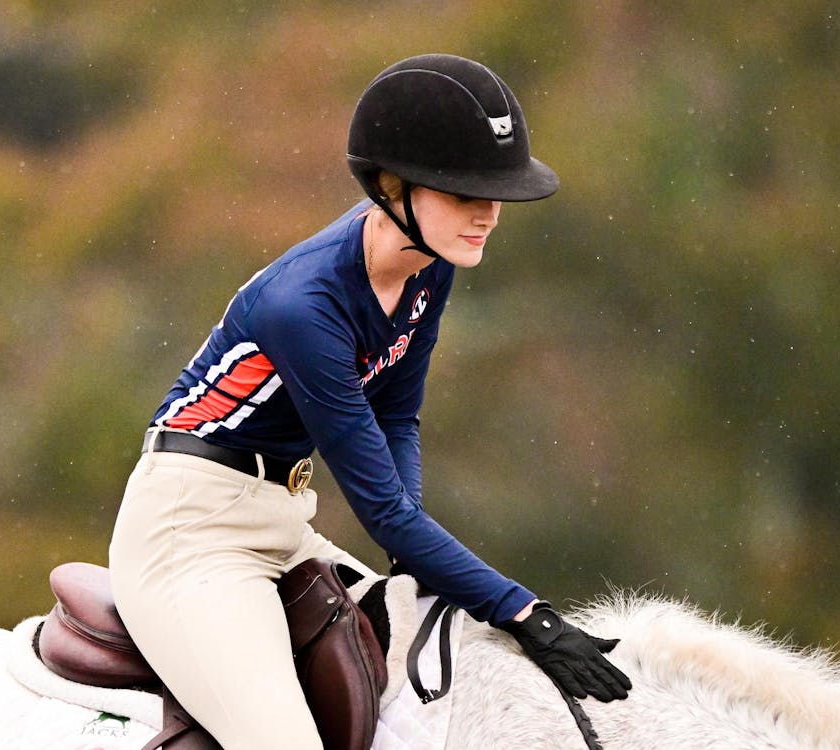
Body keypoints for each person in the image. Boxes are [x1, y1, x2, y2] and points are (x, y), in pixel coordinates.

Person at [108, 53, 631, 750]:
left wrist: (416, 550)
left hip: (286, 521)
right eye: (463, 193)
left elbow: (397, 416)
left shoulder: (431, 266)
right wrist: (529, 614)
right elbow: (384, 514)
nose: (488, 216)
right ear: (392, 188)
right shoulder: (304, 306)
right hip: (191, 536)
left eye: (496, 193)